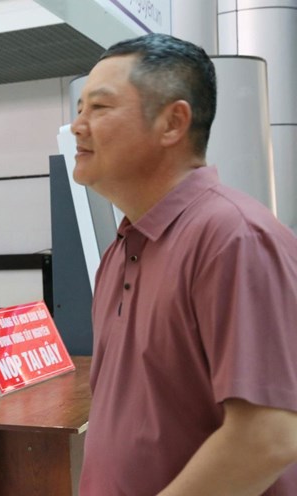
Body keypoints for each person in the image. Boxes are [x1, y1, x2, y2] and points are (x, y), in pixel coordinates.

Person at [71, 33, 297, 495]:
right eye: (79, 110)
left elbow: (268, 436)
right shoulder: (121, 251)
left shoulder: (233, 238)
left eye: (99, 108)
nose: (78, 126)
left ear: (173, 123)